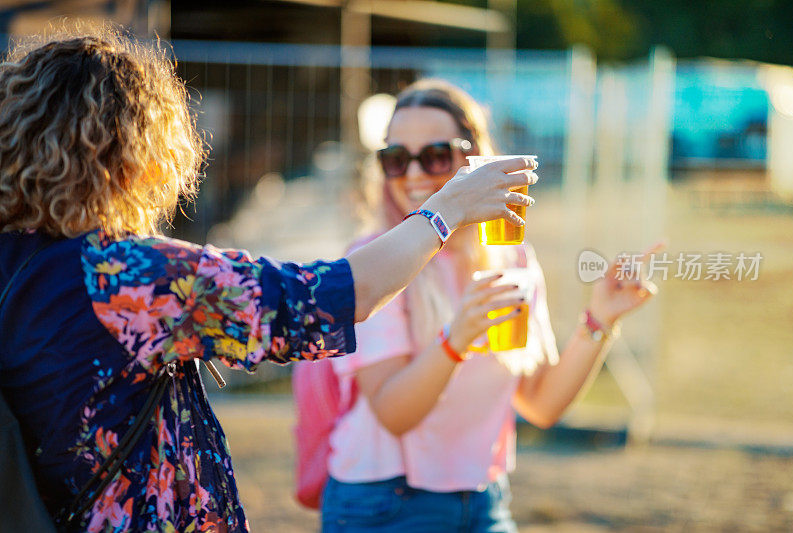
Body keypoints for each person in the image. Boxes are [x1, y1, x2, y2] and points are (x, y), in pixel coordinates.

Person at [0, 29, 535, 532]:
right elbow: (336, 295)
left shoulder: (12, 258)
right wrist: (447, 210)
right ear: (135, 155)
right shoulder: (130, 278)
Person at [320, 79, 661, 532]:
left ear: (473, 160)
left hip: (483, 498)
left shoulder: (512, 258)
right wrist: (457, 337)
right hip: (384, 501)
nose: (416, 174)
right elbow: (393, 414)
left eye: (437, 155)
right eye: (397, 158)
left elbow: (540, 404)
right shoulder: (375, 263)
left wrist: (600, 318)